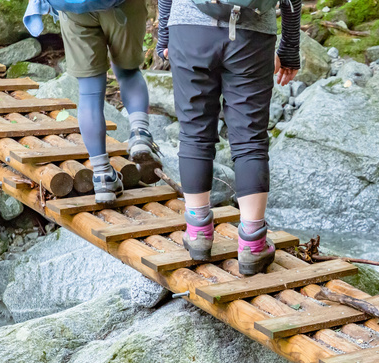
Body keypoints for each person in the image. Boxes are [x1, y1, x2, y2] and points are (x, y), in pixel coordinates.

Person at [156, 0, 301, 275]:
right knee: (250, 139)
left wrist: (165, 35)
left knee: (195, 131)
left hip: (189, 29)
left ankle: (198, 232)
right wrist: (290, 49)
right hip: (253, 34)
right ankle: (253, 244)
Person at [25, 0, 164, 203]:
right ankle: (139, 135)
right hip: (121, 6)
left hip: (73, 9)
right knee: (128, 73)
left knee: (89, 91)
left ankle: (102, 176)